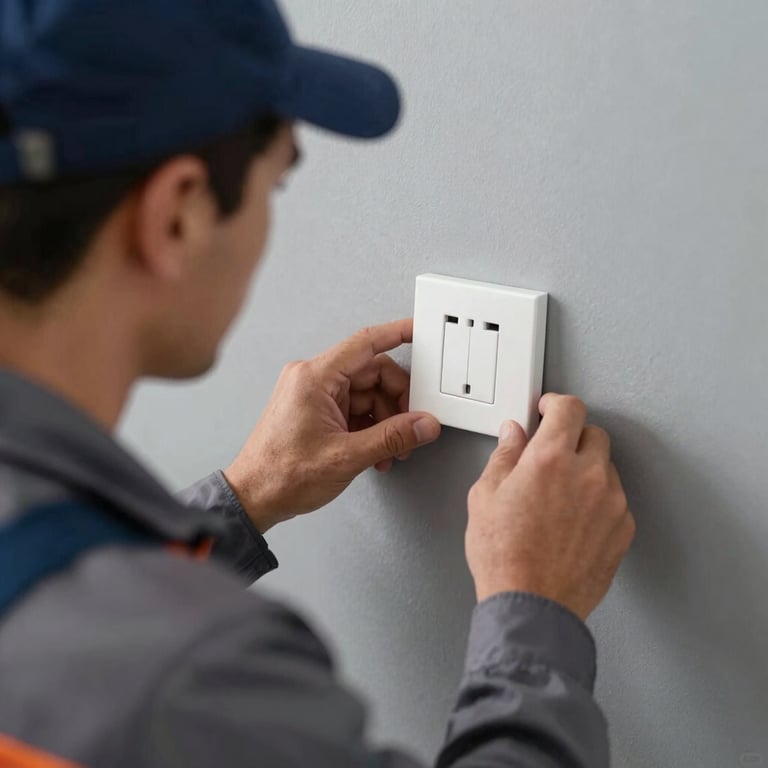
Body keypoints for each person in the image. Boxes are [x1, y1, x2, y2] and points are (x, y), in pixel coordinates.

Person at [0, 1, 635, 767]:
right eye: (278, 184)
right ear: (178, 214)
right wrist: (535, 607)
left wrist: (241, 500)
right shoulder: (191, 676)